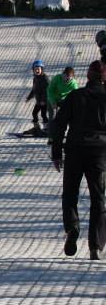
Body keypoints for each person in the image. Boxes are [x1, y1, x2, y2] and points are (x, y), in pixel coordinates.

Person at [50, 60, 106, 260]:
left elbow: (59, 125)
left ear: (88, 77)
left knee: (70, 194)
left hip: (75, 150)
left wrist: (56, 152)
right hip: (99, 153)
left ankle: (72, 229)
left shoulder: (75, 96)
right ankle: (96, 245)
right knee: (98, 199)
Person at [25, 59, 50, 130]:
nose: (37, 71)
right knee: (34, 113)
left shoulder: (45, 79)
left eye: (38, 69)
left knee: (43, 114)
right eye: (35, 69)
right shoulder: (35, 78)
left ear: (42, 69)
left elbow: (48, 91)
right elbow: (34, 90)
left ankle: (46, 128)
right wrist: (29, 97)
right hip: (39, 101)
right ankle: (36, 127)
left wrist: (43, 100)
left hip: (45, 101)